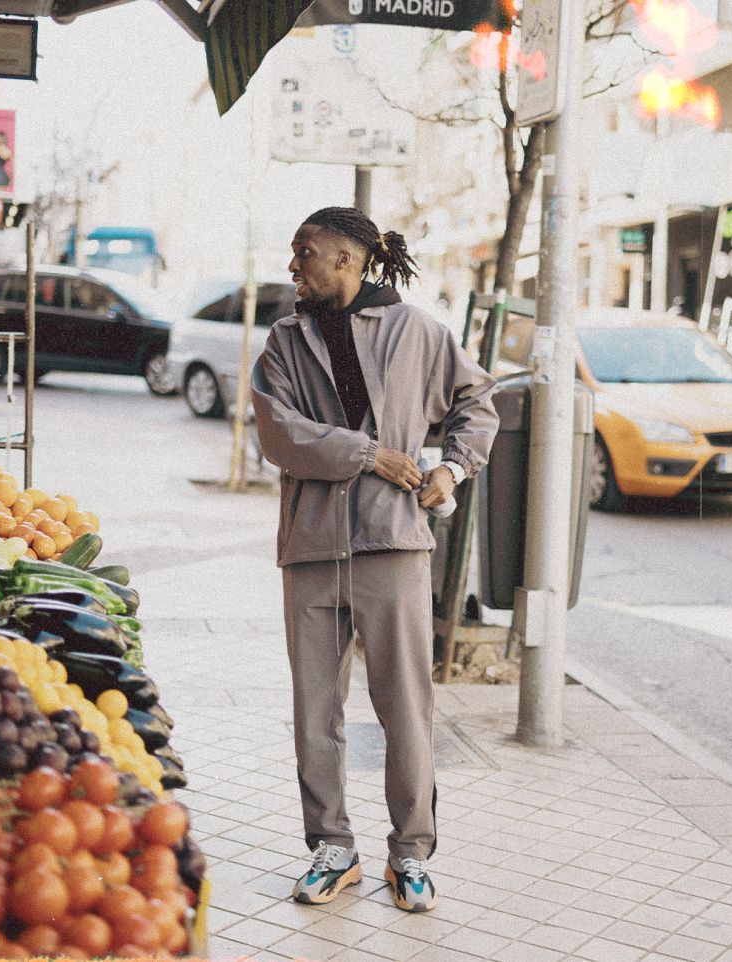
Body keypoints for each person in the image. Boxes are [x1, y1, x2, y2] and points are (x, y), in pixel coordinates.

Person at [251, 207, 499, 913]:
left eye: (308, 253)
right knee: (315, 710)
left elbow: (476, 403)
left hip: (394, 542)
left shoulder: (418, 331)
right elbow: (281, 432)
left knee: (406, 707)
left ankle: (412, 853)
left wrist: (451, 469)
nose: (295, 265)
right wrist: (369, 454)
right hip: (310, 544)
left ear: (351, 259)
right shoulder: (285, 339)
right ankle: (332, 848)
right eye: (295, 253)